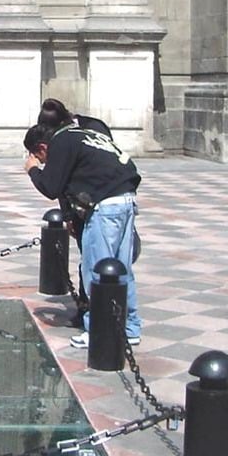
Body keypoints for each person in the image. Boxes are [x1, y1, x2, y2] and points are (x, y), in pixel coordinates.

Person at [24, 120, 143, 348]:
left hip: (105, 208)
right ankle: (130, 327)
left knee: (96, 270)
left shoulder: (60, 142)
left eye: (40, 158)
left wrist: (33, 170)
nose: (43, 162)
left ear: (42, 148)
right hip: (126, 198)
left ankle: (98, 330)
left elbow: (51, 187)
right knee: (121, 268)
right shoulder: (83, 135)